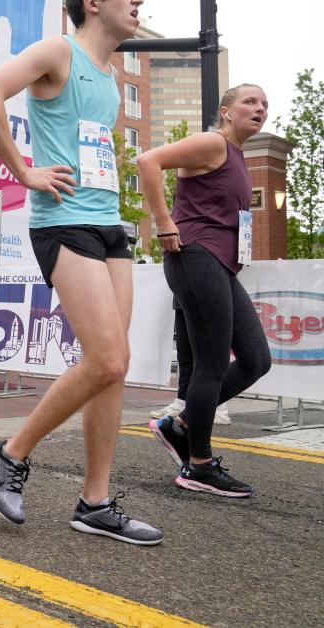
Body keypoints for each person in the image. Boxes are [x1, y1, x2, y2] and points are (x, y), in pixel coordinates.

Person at [0, 0, 162, 545]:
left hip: (108, 226)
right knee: (104, 359)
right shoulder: (58, 51)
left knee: (114, 368)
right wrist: (24, 172)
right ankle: (11, 452)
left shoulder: (106, 78)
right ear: (92, 3)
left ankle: (95, 502)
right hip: (63, 224)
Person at [138, 84, 272, 497]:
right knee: (211, 364)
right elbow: (147, 161)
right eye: (250, 101)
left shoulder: (237, 156)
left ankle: (179, 424)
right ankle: (198, 465)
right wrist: (164, 222)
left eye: (265, 104)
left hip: (219, 266)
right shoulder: (213, 143)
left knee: (255, 359)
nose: (260, 108)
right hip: (195, 256)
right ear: (226, 111)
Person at [151, 303, 232, 425]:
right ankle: (182, 402)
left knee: (209, 356)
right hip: (182, 296)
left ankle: (218, 408)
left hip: (205, 296)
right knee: (185, 355)